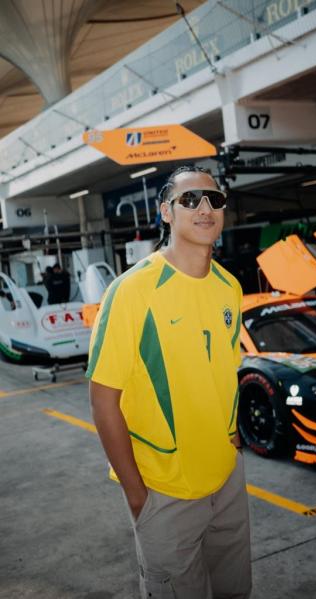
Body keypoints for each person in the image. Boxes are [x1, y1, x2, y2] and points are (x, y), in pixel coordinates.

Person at [87, 165, 252, 599]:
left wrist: (232, 440)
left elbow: (224, 371)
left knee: (236, 590)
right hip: (164, 490)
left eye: (215, 199)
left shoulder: (229, 287)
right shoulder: (132, 291)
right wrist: (137, 496)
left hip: (226, 478)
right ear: (166, 212)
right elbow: (103, 401)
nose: (204, 208)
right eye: (189, 200)